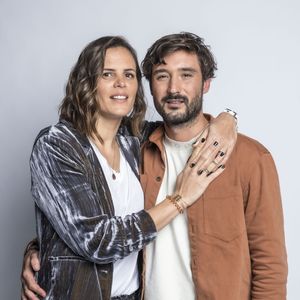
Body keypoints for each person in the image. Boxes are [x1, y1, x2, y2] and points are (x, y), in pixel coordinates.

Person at [21, 35, 237, 300]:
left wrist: (227, 120)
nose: (121, 83)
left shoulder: (136, 141)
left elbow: (185, 124)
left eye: (129, 74)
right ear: (86, 83)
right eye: (107, 74)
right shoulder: (56, 145)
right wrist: (180, 199)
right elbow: (96, 240)